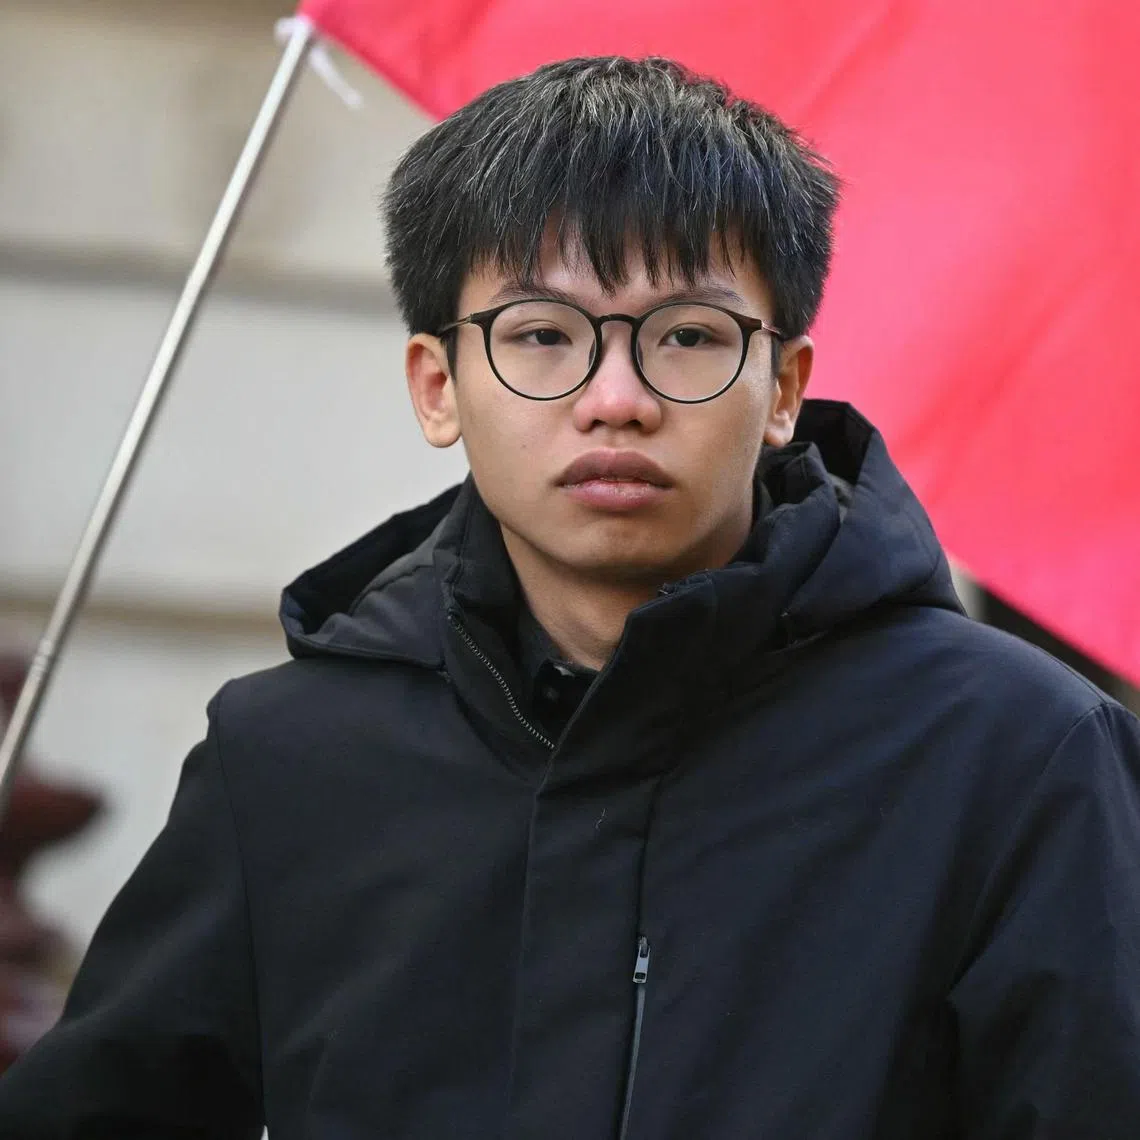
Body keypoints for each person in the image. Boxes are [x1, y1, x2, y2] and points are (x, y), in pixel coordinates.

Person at [1, 55, 1138, 1139]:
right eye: (542, 335)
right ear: (438, 386)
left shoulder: (1018, 757)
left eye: (688, 336)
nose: (616, 397)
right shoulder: (289, 760)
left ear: (784, 387)